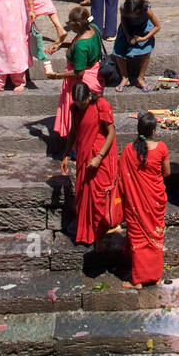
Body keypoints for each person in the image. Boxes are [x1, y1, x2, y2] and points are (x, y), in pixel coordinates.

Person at [61, 81, 119, 244]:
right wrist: (66, 154)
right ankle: (88, 231)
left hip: (101, 155)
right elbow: (73, 131)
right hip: (84, 155)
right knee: (83, 193)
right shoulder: (76, 109)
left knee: (98, 195)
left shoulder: (102, 105)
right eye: (78, 104)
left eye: (83, 103)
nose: (81, 106)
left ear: (89, 96)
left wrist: (99, 157)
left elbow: (111, 133)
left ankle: (101, 231)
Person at [118, 112, 170, 288]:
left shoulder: (128, 151)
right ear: (154, 131)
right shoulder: (162, 148)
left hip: (136, 201)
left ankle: (138, 280)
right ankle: (155, 276)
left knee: (139, 237)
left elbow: (122, 177)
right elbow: (167, 173)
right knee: (155, 235)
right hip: (155, 200)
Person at [47, 5, 103, 137]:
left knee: (77, 117)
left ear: (78, 24)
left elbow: (79, 72)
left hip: (81, 81)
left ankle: (74, 146)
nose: (69, 27)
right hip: (96, 73)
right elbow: (77, 41)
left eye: (70, 24)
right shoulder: (94, 28)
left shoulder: (81, 46)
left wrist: (57, 75)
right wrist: (61, 45)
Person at [114, 0, 160, 93]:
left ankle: (140, 78)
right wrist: (126, 34)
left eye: (133, 14)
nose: (131, 16)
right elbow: (123, 20)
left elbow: (157, 26)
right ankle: (124, 77)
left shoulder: (147, 10)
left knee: (146, 49)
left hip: (143, 28)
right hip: (127, 28)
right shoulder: (123, 8)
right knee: (118, 50)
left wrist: (144, 38)